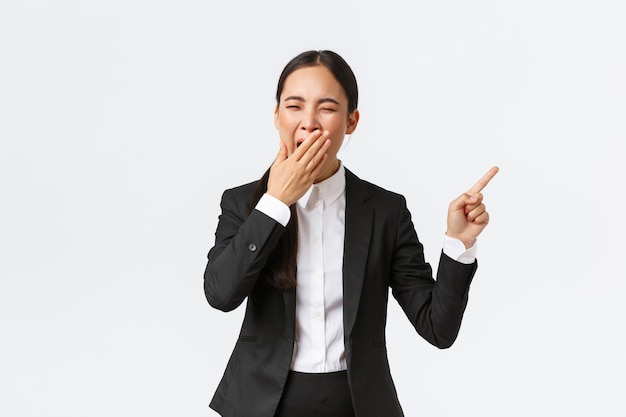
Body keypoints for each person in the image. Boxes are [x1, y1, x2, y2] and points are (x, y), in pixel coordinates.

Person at [203, 50, 498, 417]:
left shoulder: (385, 211)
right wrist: (275, 203)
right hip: (263, 403)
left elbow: (438, 328)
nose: (309, 123)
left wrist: (459, 243)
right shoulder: (243, 203)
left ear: (351, 120)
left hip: (358, 404)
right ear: (277, 116)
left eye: (326, 108)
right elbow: (220, 294)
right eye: (294, 106)